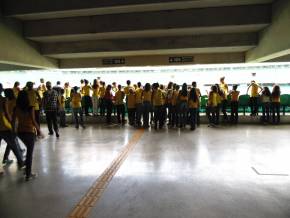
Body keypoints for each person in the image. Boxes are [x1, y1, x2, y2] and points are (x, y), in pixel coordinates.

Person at [12, 90, 43, 181]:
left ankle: (27, 171)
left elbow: (13, 121)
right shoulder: (31, 108)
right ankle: (28, 175)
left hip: (20, 132)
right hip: (30, 132)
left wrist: (13, 131)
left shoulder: (16, 108)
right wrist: (39, 131)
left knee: (29, 151)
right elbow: (33, 121)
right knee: (29, 154)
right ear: (27, 98)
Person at [0, 83, 25, 170]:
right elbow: (7, 113)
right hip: (7, 124)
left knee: (12, 141)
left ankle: (6, 158)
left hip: (6, 124)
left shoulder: (8, 100)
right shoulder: (6, 100)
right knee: (13, 142)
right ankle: (20, 162)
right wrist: (12, 123)